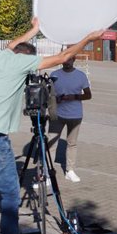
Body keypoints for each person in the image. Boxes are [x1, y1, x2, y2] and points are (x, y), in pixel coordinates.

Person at [0, 17, 103, 234]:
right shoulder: (19, 64)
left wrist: (33, 30)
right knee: (10, 195)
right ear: (25, 59)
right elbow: (62, 58)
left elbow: (13, 43)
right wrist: (88, 39)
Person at [49, 55, 91, 183]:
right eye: (64, 59)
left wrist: (75, 97)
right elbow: (49, 96)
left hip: (75, 115)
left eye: (69, 59)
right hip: (57, 114)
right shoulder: (54, 75)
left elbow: (88, 95)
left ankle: (70, 170)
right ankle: (48, 173)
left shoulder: (81, 75)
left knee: (72, 143)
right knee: (50, 143)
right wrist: (57, 99)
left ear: (74, 60)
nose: (67, 62)